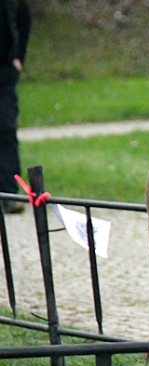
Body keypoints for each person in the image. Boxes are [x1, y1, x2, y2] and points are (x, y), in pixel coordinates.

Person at [0, 0, 31, 214]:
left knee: (6, 129)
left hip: (4, 70)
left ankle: (9, 194)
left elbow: (24, 18)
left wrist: (18, 55)